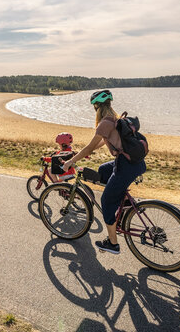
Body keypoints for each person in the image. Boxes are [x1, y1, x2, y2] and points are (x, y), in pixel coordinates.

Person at [61, 90, 146, 254]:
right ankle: (124, 202)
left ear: (96, 107)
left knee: (106, 201)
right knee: (103, 170)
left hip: (125, 165)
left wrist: (71, 161)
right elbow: (103, 140)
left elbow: (91, 145)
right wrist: (89, 151)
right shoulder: (115, 118)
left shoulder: (104, 122)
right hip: (135, 163)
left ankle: (112, 243)